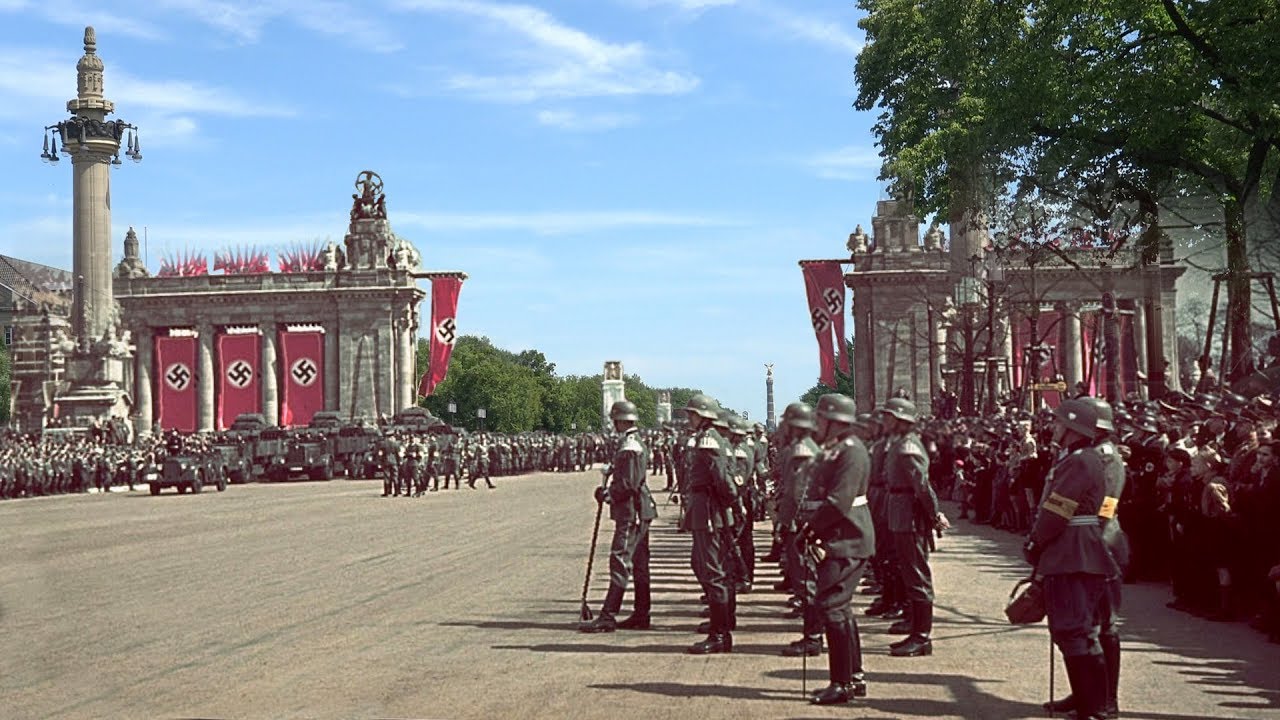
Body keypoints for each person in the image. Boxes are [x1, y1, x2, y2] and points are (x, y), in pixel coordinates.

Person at [1024, 398, 1119, 720]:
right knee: (1075, 631)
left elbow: (1057, 508)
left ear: (1074, 427)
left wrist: (1038, 539)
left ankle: (1093, 708)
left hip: (1074, 550)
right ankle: (1088, 703)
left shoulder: (1081, 461)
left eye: (1059, 423)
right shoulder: (1078, 457)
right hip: (1075, 547)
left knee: (1074, 631)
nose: (1054, 427)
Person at [796, 393, 876, 705]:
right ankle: (853, 677)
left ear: (834, 422)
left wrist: (812, 528)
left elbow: (839, 501)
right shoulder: (838, 449)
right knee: (839, 607)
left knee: (831, 606)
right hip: (841, 536)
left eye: (821, 418)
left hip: (848, 536)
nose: (817, 423)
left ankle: (842, 682)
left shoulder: (852, 451)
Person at [580, 401, 658, 633]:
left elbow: (629, 483)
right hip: (638, 510)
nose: (614, 425)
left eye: (615, 421)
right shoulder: (630, 443)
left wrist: (608, 494)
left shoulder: (630, 446)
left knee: (620, 560)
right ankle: (641, 613)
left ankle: (608, 615)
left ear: (622, 421)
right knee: (639, 563)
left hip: (631, 511)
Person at [880, 397, 948, 657]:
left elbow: (922, 487)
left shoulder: (908, 447)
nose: (885, 421)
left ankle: (922, 636)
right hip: (900, 510)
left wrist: (934, 515)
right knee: (910, 571)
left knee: (917, 573)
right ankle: (916, 630)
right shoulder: (899, 444)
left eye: (889, 417)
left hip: (909, 513)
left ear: (900, 420)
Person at [682, 393, 737, 654]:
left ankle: (719, 634)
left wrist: (725, 502)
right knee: (716, 570)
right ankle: (722, 628)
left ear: (702, 416)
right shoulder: (714, 439)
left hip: (708, 510)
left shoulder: (707, 440)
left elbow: (720, 479)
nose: (689, 419)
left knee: (713, 571)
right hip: (710, 508)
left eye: (692, 414)